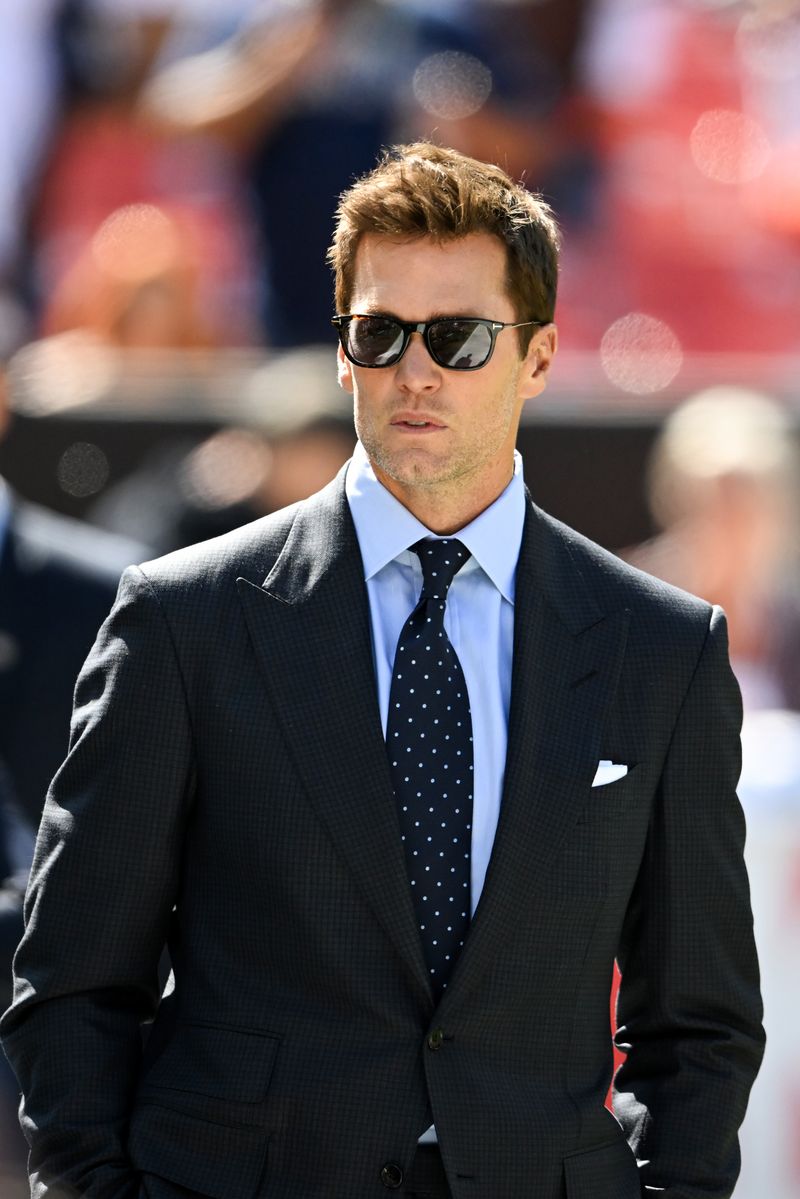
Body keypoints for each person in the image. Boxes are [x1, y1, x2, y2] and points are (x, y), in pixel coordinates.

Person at [0, 142, 764, 1199]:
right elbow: (74, 976)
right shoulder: (183, 620)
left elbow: (700, 1016)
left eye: (454, 337)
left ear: (537, 357)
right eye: (379, 332)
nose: (413, 370)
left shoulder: (660, 647)